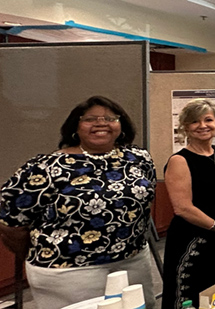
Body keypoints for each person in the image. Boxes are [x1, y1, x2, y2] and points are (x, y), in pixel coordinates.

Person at [0, 96, 157, 308]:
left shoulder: (138, 158)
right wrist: (40, 250)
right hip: (68, 271)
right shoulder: (44, 167)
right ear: (76, 126)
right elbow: (11, 223)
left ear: (121, 125)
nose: (101, 123)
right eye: (90, 119)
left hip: (133, 261)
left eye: (110, 118)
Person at [162, 99, 215, 308]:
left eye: (208, 120)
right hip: (191, 241)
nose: (202, 126)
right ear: (185, 128)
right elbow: (182, 208)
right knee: (187, 298)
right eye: (194, 122)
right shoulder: (179, 160)